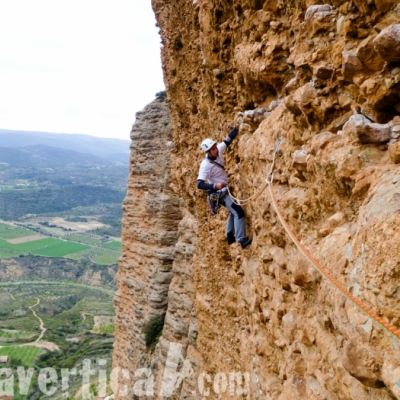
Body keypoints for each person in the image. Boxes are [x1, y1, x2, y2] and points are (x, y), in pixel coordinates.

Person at [196, 126, 252, 249]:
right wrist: (215, 185)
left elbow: (228, 140)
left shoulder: (218, 151)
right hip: (219, 193)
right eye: (213, 149)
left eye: (215, 147)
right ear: (208, 152)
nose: (216, 150)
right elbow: (199, 184)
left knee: (233, 210)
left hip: (224, 190)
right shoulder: (205, 165)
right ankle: (241, 240)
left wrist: (238, 127)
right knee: (238, 212)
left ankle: (229, 235)